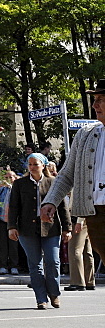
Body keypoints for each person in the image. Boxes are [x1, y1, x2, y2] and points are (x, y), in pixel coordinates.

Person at [41, 79, 105, 276]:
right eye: (94, 99)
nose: (94, 105)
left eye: (100, 99)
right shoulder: (86, 134)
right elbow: (67, 174)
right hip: (96, 211)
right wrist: (51, 200)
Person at [9, 154, 71, 310]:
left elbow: (62, 208)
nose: (32, 167)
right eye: (29, 164)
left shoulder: (53, 183)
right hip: (27, 230)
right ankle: (41, 298)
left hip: (51, 229)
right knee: (35, 265)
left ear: (43, 165)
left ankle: (54, 294)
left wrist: (67, 228)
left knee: (53, 262)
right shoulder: (19, 184)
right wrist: (12, 227)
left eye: (35, 164)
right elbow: (14, 207)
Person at [65, 218, 96, 291]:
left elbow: (80, 206)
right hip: (86, 219)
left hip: (77, 219)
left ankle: (77, 282)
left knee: (75, 251)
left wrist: (79, 221)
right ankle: (89, 281)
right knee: (86, 251)